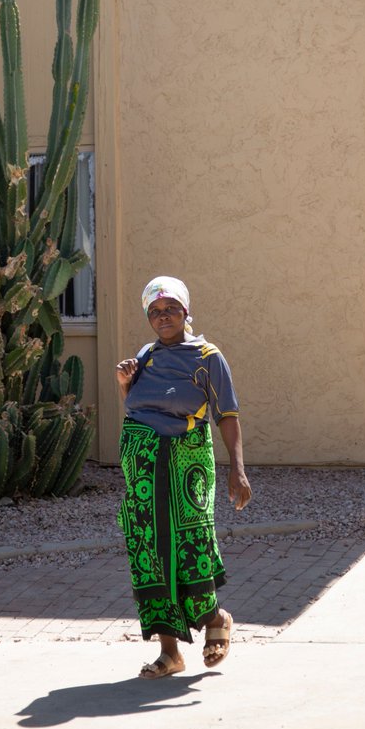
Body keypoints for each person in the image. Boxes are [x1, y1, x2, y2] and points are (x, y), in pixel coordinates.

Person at [115, 276, 252, 679]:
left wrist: (237, 469)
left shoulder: (209, 357)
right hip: (141, 464)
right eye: (155, 312)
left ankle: (216, 618)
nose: (163, 316)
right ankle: (170, 653)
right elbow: (137, 408)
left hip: (185, 460)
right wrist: (125, 384)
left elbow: (227, 415)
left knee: (191, 545)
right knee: (150, 553)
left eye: (170, 308)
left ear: (186, 311)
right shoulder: (146, 354)